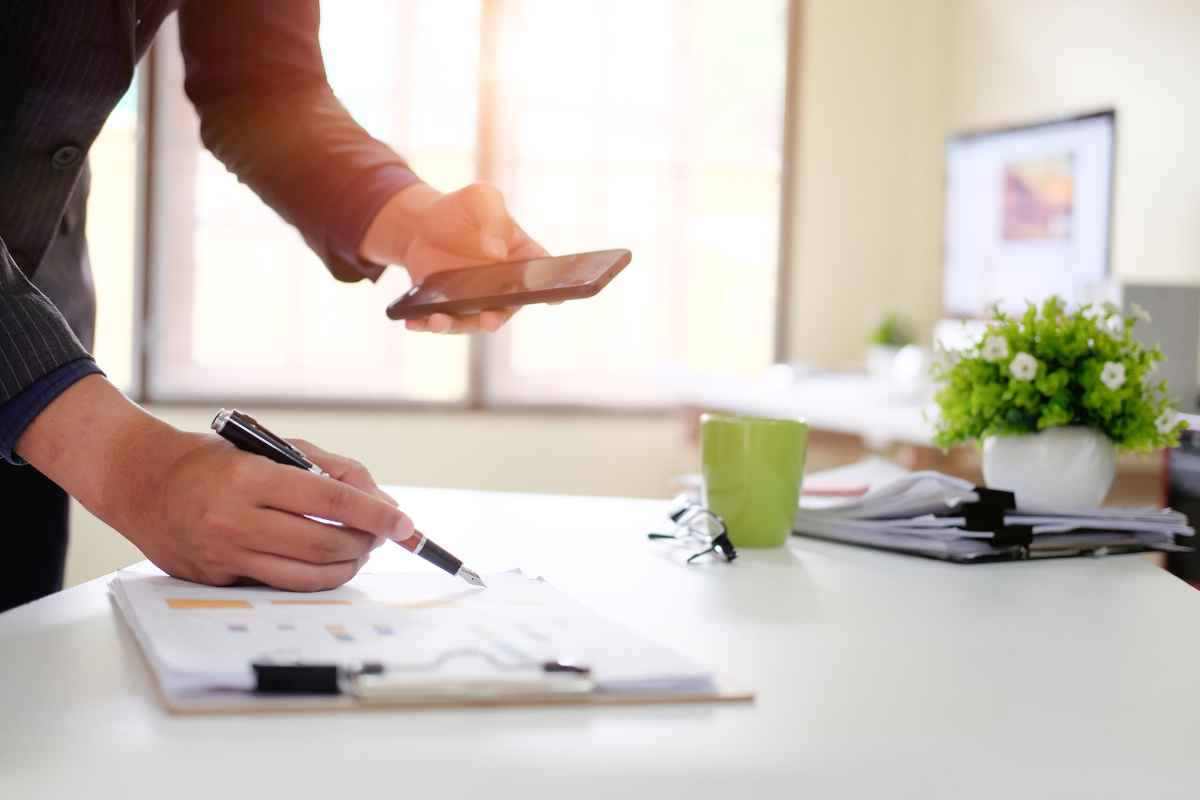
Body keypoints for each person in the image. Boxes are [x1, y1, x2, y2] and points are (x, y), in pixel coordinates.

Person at [0, 2, 547, 612]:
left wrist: (408, 218)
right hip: (39, 385)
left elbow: (262, 84)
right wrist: (129, 462)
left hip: (41, 359)